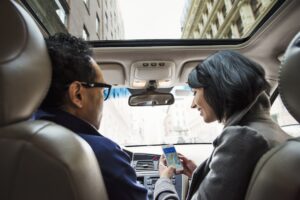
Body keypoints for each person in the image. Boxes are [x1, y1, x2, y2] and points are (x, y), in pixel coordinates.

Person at [153, 50, 290, 200]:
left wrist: (163, 182)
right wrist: (198, 172)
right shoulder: (277, 134)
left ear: (215, 88)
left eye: (195, 92)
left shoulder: (241, 138)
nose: (193, 104)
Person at [34, 33, 148, 200]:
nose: (103, 99)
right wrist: (164, 183)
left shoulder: (14, 143)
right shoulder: (99, 154)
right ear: (77, 95)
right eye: (102, 90)